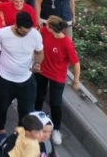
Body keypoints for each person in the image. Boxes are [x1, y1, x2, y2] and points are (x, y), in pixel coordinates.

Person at [0, 11, 44, 146]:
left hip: (26, 80)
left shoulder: (34, 35)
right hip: (4, 80)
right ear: (16, 25)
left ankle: (20, 135)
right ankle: (1, 132)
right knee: (1, 108)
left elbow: (40, 53)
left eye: (28, 31)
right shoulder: (2, 33)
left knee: (26, 112)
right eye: (23, 32)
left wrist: (37, 63)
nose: (26, 34)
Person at [34, 16, 81, 145]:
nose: (45, 25)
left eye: (47, 24)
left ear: (51, 27)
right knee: (38, 96)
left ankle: (57, 130)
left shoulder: (66, 43)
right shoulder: (44, 32)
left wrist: (75, 81)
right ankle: (36, 120)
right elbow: (35, 38)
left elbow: (76, 63)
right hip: (42, 71)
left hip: (57, 76)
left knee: (55, 103)